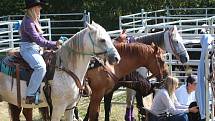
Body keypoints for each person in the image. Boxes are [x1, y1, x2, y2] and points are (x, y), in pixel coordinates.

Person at [19, 0, 62, 104]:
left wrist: (52, 45)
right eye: (39, 7)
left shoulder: (33, 20)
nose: (40, 9)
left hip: (34, 47)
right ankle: (30, 95)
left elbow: (40, 38)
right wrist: (54, 44)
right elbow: (38, 40)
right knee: (40, 67)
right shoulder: (28, 22)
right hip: (28, 49)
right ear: (33, 9)